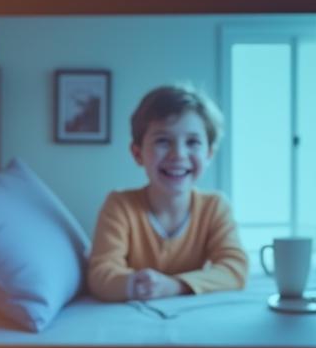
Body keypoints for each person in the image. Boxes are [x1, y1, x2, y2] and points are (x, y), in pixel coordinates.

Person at [86, 84, 248, 302]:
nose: (178, 155)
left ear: (208, 154)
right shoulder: (120, 205)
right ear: (137, 153)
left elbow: (235, 268)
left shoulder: (215, 206)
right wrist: (138, 285)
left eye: (192, 142)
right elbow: (101, 273)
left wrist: (174, 286)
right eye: (163, 141)